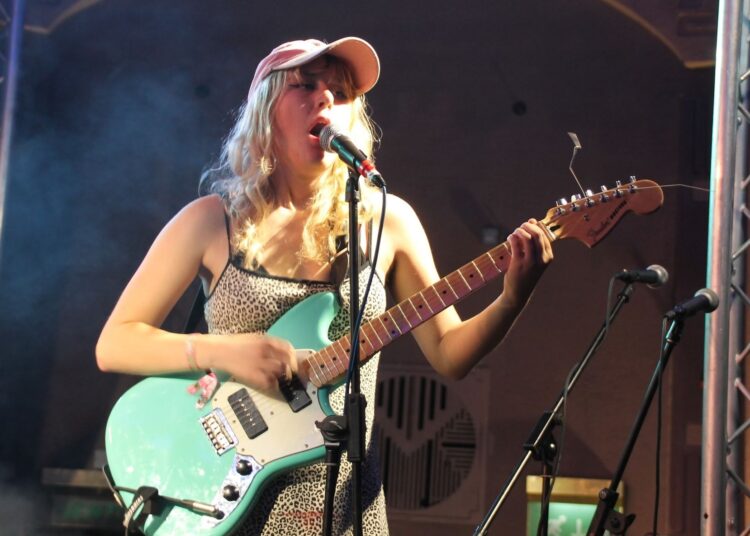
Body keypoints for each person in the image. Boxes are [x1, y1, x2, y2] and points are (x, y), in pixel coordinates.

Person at [96, 36, 553, 536]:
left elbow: (449, 354)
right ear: (267, 110)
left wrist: (513, 297)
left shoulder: (387, 220)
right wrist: (222, 351)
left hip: (345, 507)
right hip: (229, 494)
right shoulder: (211, 221)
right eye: (306, 85)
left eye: (342, 91)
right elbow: (115, 342)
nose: (326, 98)